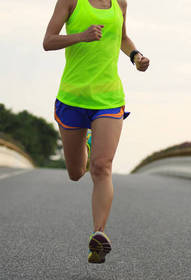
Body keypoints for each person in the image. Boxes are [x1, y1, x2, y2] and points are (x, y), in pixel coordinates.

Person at [43, 0, 150, 264]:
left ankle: (98, 236)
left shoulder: (120, 3)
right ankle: (87, 143)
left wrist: (136, 56)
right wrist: (82, 36)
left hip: (109, 98)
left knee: (102, 167)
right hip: (73, 98)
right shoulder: (70, 2)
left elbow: (123, 37)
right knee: (76, 172)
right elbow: (48, 41)